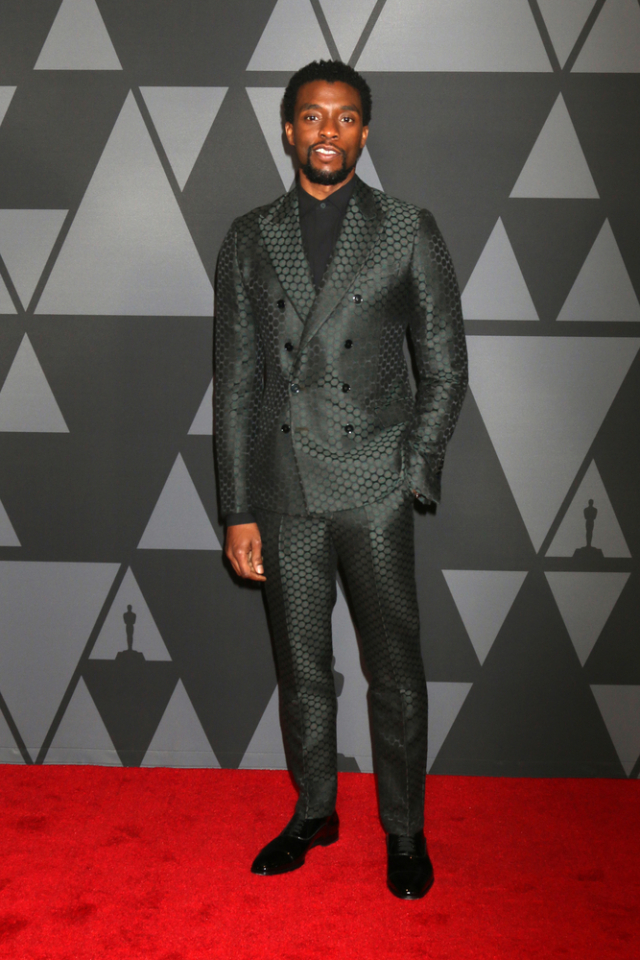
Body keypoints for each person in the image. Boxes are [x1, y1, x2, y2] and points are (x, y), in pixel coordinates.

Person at [215, 60, 467, 899]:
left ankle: (404, 829)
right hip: (284, 491)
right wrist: (239, 508)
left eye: (346, 117)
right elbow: (241, 382)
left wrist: (412, 472)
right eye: (313, 117)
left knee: (394, 668)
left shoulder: (405, 229)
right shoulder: (250, 238)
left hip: (373, 488)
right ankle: (316, 809)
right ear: (288, 131)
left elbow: (444, 367)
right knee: (303, 667)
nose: (329, 131)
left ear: (365, 130)